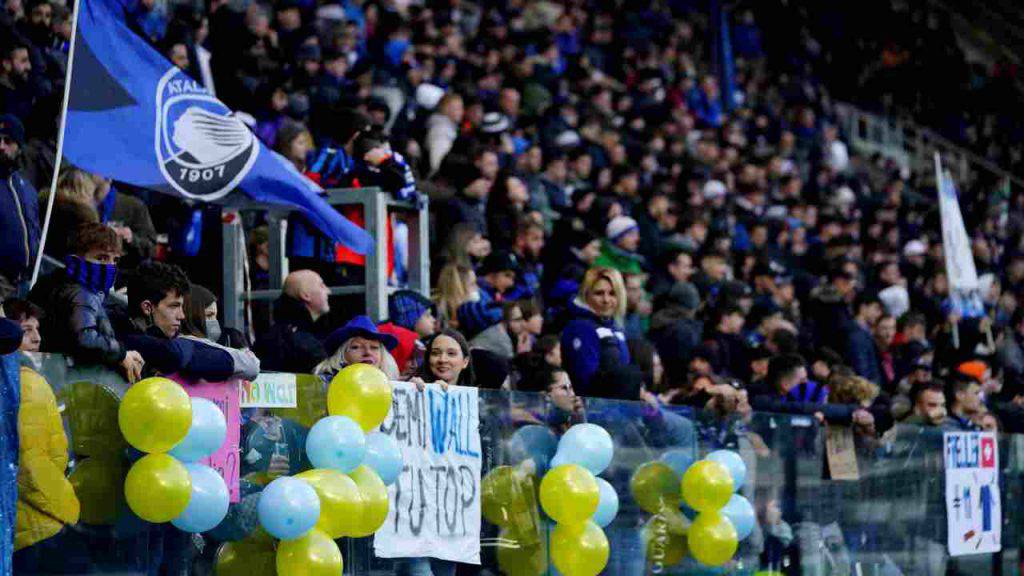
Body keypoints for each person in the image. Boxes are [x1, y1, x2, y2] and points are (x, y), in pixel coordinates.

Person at [28, 224, 144, 382]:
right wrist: (121, 354)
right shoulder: (81, 293)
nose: (109, 266)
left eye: (115, 260)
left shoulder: (52, 281)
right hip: (60, 378)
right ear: (76, 260)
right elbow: (85, 339)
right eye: (101, 258)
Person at [561, 267, 630, 396]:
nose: (606, 300)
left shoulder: (616, 329)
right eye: (599, 293)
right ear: (586, 295)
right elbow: (586, 380)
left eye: (612, 293)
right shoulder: (581, 328)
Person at [253, 269, 330, 373]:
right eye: (321, 285)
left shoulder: (274, 334)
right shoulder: (305, 342)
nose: (328, 291)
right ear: (305, 295)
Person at [0, 114, 39, 299]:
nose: (1, 146)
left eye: (8, 141)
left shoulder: (27, 189)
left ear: (19, 147)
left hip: (23, 285)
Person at [316, 315, 400, 381]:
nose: (368, 352)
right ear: (340, 355)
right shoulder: (324, 385)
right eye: (356, 347)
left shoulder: (393, 388)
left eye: (374, 347)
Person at [456, 250, 519, 339]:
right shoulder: (477, 295)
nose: (511, 283)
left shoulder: (496, 293)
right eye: (507, 275)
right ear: (491, 273)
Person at [379, 289, 437, 376]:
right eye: (427, 315)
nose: (434, 320)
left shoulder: (424, 344)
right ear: (411, 318)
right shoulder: (394, 343)